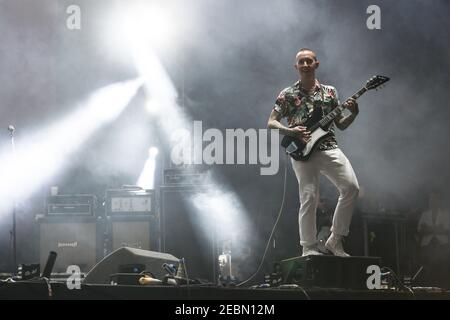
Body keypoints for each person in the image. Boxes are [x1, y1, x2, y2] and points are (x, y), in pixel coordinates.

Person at [267, 48, 360, 257]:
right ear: (296, 67)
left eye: (309, 61)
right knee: (309, 197)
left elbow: (341, 124)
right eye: (301, 62)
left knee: (352, 187)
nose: (306, 65)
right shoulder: (287, 94)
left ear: (316, 64)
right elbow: (271, 122)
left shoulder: (330, 92)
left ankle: (335, 240)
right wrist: (290, 130)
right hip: (302, 151)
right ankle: (308, 247)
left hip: (328, 146)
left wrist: (353, 114)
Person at [416, 190, 450, 287]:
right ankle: (428, 288)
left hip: (442, 245)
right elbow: (420, 230)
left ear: (439, 200)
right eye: (431, 199)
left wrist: (428, 228)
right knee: (428, 267)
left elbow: (446, 230)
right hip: (427, 245)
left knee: (442, 266)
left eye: (435, 199)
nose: (432, 201)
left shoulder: (446, 214)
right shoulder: (425, 214)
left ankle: (442, 288)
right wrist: (437, 228)